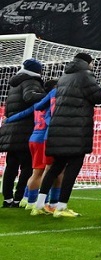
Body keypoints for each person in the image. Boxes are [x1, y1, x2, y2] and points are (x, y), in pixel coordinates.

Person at [36, 53, 101, 217]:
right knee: (72, 170)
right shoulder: (85, 76)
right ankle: (61, 207)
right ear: (88, 63)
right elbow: (98, 97)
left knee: (55, 167)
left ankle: (40, 204)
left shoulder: (64, 77)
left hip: (58, 129)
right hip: (76, 130)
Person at [0, 59, 47, 208]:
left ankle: (7, 198)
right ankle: (18, 198)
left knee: (11, 165)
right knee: (27, 166)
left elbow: (9, 108)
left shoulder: (15, 83)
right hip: (24, 129)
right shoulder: (30, 81)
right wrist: (48, 95)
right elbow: (30, 97)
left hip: (11, 129)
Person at [22, 81, 57, 212]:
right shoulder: (52, 103)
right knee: (44, 172)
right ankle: (40, 202)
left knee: (36, 172)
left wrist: (8, 119)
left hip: (33, 137)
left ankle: (27, 199)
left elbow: (24, 113)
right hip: (43, 139)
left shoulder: (38, 103)